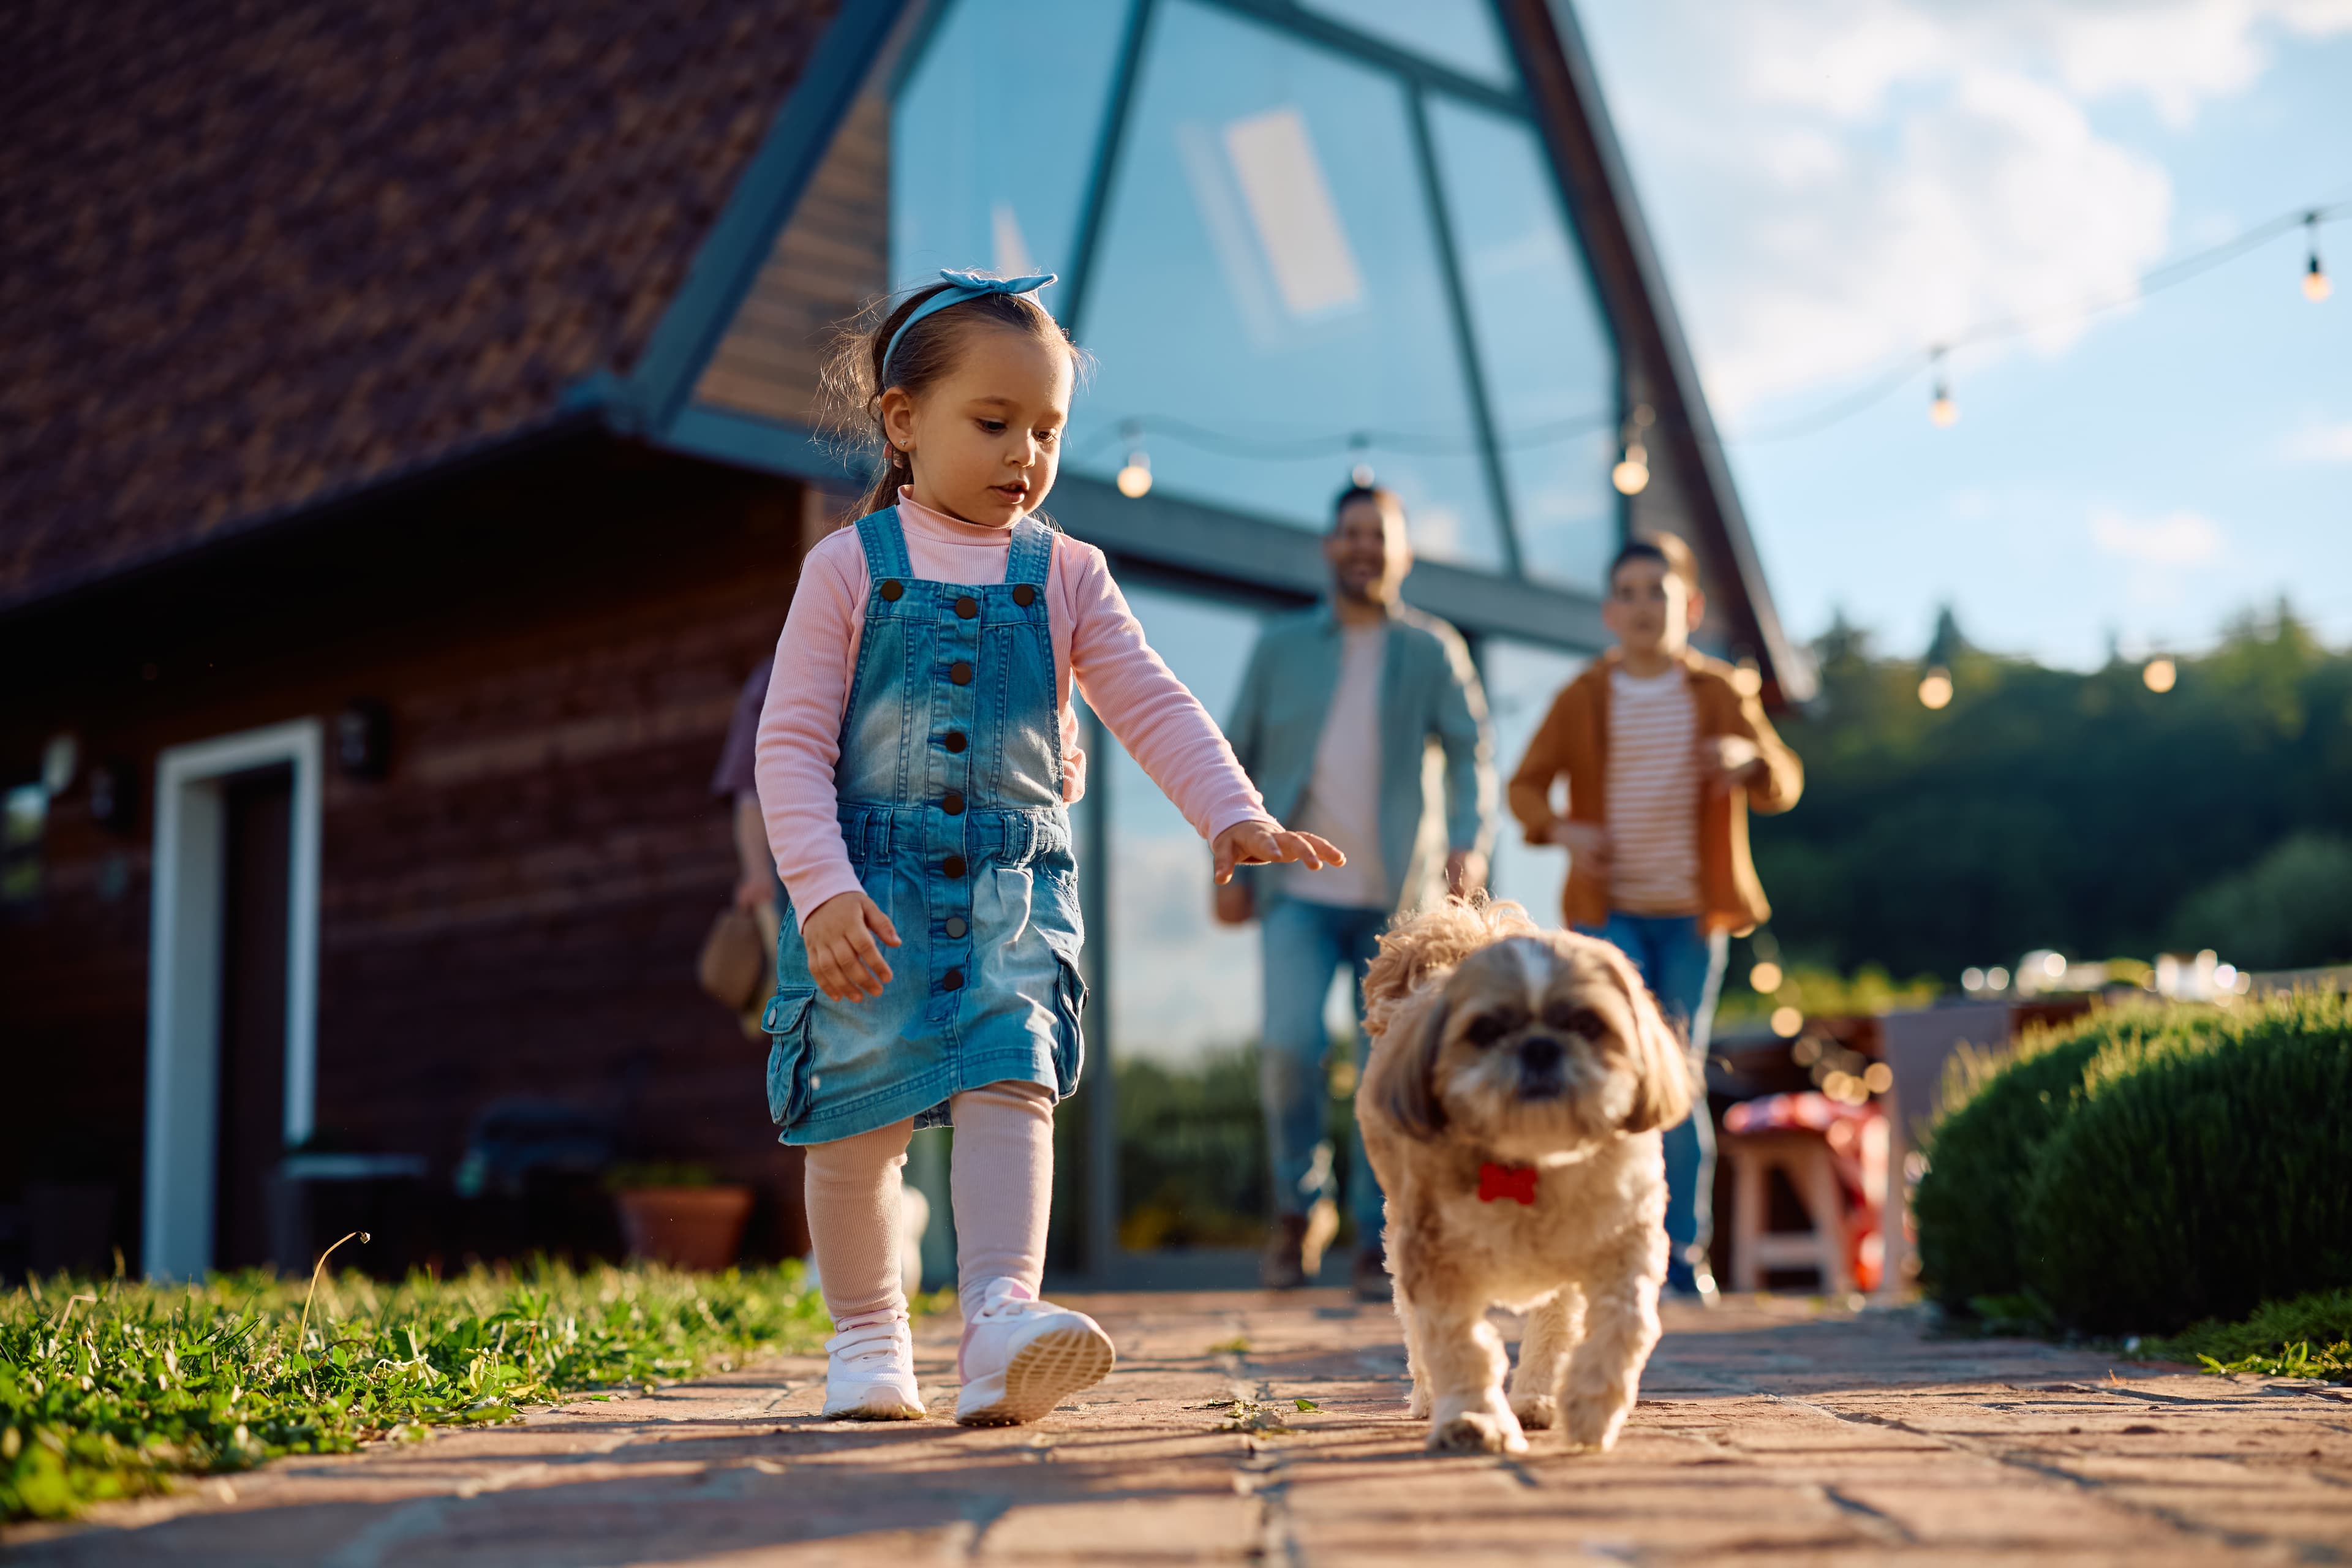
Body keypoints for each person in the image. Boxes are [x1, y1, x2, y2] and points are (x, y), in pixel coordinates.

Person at [755, 270, 1343, 1423]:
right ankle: (869, 1339)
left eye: (1048, 430)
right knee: (856, 1119)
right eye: (995, 422)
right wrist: (819, 890)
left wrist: (1231, 807)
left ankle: (999, 1325)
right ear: (903, 420)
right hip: (869, 892)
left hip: (1017, 892)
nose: (1027, 452)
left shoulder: (1068, 571)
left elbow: (1151, 698)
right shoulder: (847, 567)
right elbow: (789, 744)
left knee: (1014, 1087)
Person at [1506, 531, 1802, 1301]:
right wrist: (1565, 828)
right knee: (1603, 1075)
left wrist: (1747, 760)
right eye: (1629, 593)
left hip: (1692, 918)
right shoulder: (1583, 696)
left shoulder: (1717, 691)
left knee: (1677, 1080)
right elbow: (1526, 790)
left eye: (1658, 592)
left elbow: (1784, 780)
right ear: (1610, 611)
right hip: (1608, 917)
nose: (1643, 607)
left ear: (1690, 606)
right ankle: (1593, 1245)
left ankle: (1680, 1254)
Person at [1219, 482, 1495, 1298]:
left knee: (1387, 1072)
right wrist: (1225, 852)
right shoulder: (1279, 648)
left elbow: (1472, 752)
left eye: (1380, 534)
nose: (1364, 546)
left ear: (1402, 552)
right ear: (1329, 547)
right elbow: (1232, 754)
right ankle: (1299, 1214)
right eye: (1351, 532)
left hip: (1398, 904)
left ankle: (1378, 1233)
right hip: (1295, 895)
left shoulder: (1433, 650)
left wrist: (1470, 844)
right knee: (1289, 1051)